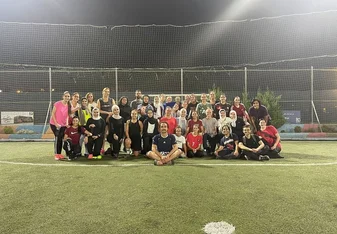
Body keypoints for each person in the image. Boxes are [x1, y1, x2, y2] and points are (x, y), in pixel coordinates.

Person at [50, 91, 71, 160]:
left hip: (63, 125)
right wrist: (56, 123)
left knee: (61, 139)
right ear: (63, 97)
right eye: (65, 96)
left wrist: (67, 123)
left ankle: (59, 154)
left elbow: (67, 115)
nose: (67, 97)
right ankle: (56, 154)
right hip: (54, 124)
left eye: (68, 96)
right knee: (57, 137)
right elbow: (53, 113)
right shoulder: (57, 104)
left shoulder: (68, 105)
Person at [97, 87, 115, 154]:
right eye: (105, 91)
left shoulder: (111, 100)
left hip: (110, 119)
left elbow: (115, 109)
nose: (106, 93)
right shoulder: (100, 100)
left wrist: (110, 115)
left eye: (108, 91)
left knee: (111, 133)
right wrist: (107, 113)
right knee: (103, 134)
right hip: (102, 119)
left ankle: (112, 148)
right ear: (102, 92)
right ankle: (102, 148)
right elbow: (98, 110)